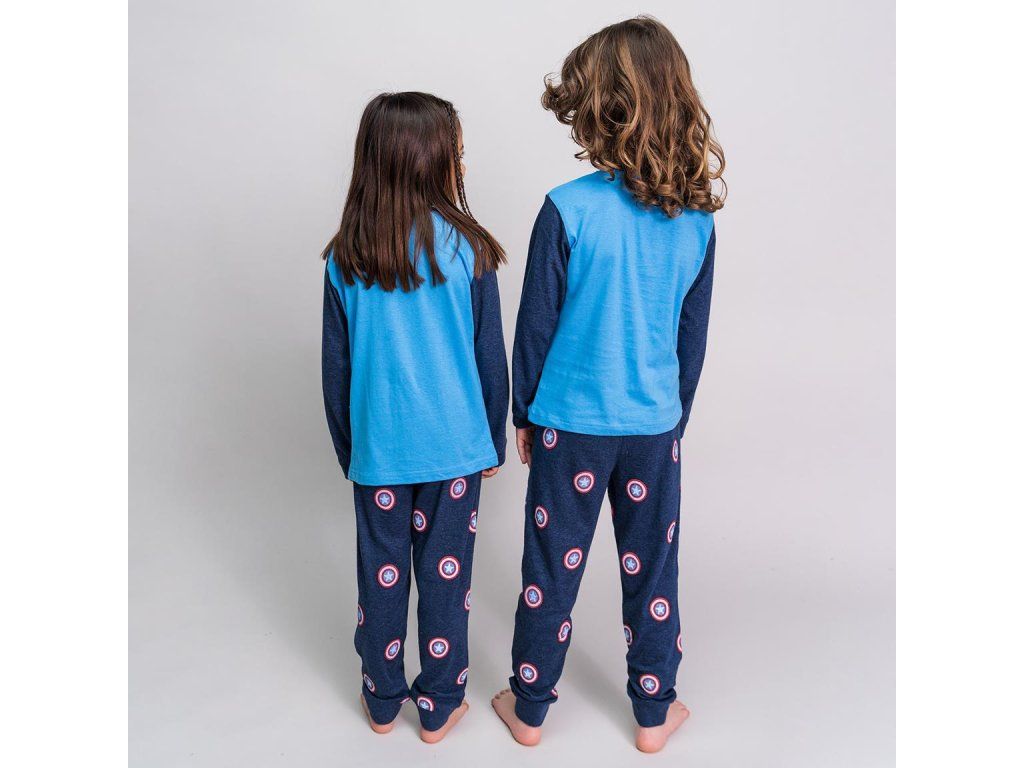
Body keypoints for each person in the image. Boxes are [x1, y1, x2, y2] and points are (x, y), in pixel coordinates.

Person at [490, 17, 725, 754]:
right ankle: (654, 714)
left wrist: (524, 412)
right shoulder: (696, 221)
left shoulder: (567, 207)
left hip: (569, 426)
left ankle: (529, 709)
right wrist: (672, 419)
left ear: (600, 109)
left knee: (549, 569)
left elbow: (535, 325)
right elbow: (691, 339)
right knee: (653, 570)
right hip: (653, 427)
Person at [321, 92, 508, 743]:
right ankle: (439, 705)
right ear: (434, 160)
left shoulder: (347, 256)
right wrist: (491, 442)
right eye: (458, 150)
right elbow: (490, 357)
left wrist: (350, 449)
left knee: (382, 575)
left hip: (380, 450)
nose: (464, 162)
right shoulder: (470, 249)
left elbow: (336, 369)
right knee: (445, 577)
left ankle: (380, 702)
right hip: (456, 449)